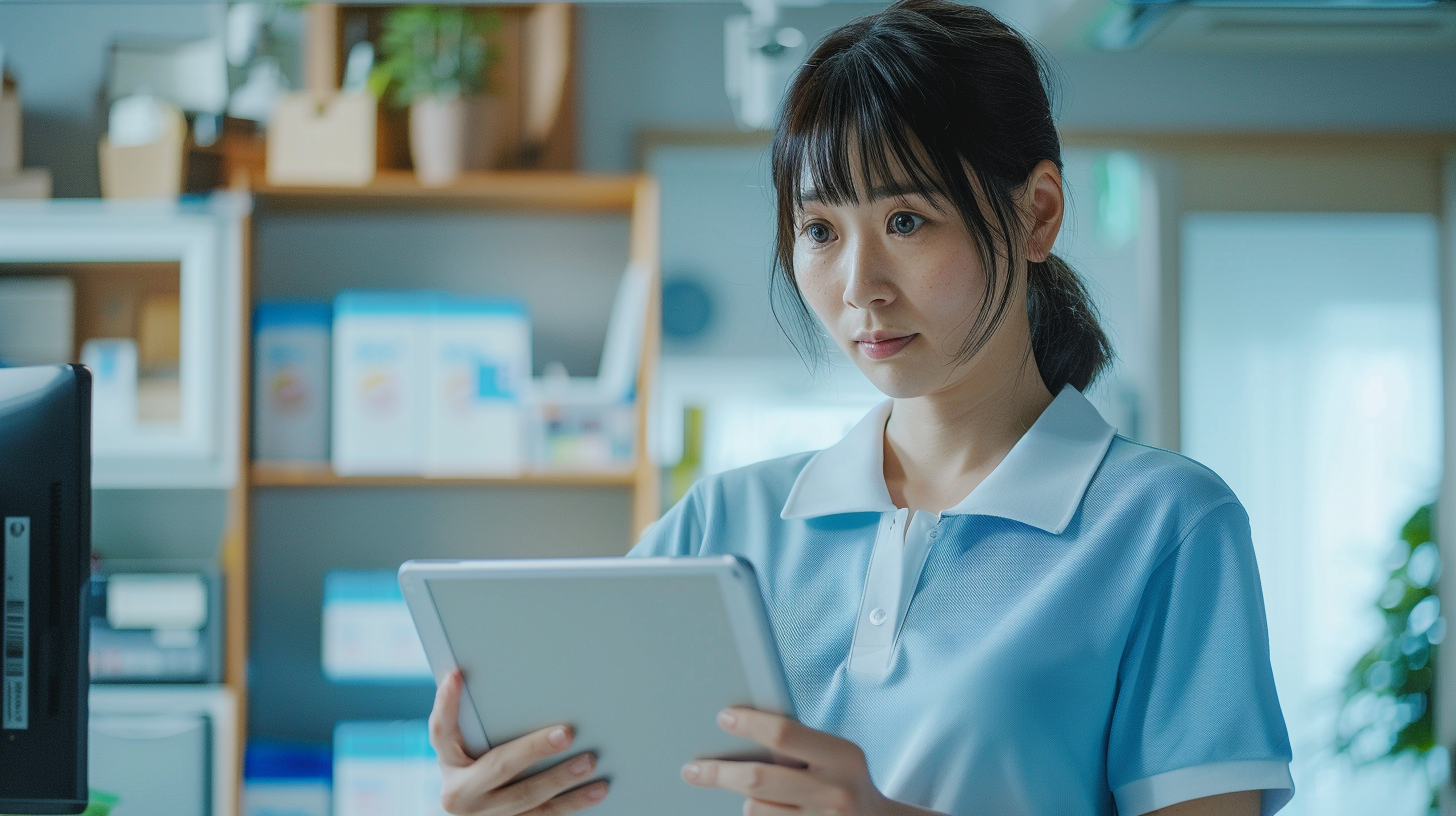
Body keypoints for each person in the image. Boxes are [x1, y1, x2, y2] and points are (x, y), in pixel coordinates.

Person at [425, 1, 1295, 814]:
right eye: (820, 232)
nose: (859, 287)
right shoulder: (722, 523)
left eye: (908, 221)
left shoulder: (1165, 526)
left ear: (1038, 213)